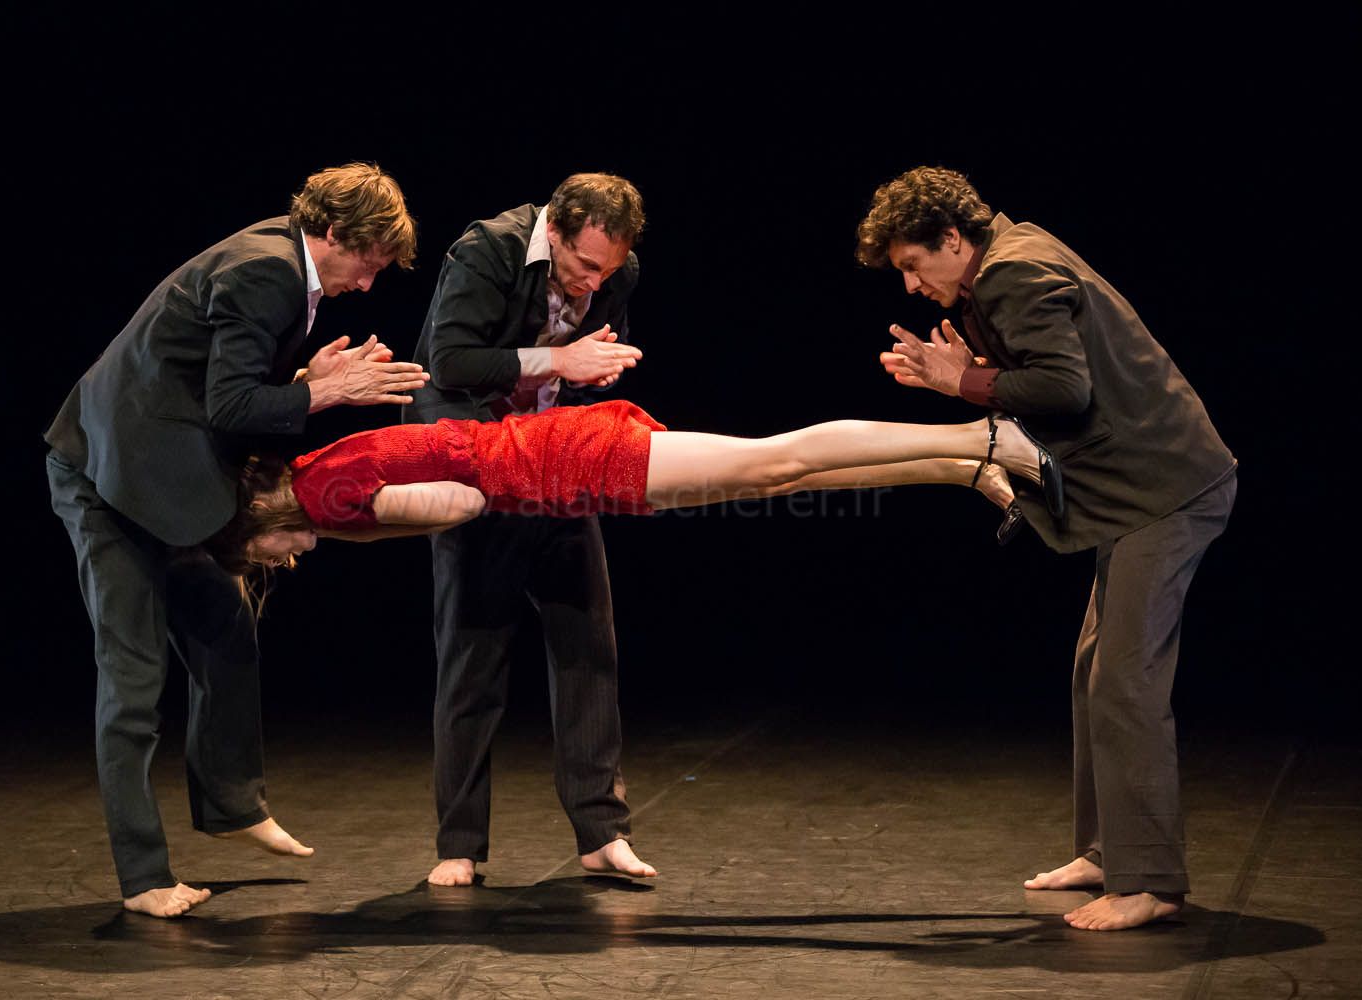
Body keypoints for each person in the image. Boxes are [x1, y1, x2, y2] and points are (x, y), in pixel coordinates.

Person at [856, 166, 1236, 931]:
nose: (910, 285)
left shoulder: (1013, 272)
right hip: (1139, 492)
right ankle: (1106, 850)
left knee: (1126, 680)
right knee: (1096, 669)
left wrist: (964, 382)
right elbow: (1039, 376)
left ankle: (1150, 879)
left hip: (1165, 489)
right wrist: (965, 376)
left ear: (952, 239)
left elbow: (1066, 389)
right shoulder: (1002, 262)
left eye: (912, 264)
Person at [45, 162, 429, 918]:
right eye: (367, 262)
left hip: (161, 470)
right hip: (108, 479)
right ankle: (143, 877)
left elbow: (224, 376)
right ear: (332, 232)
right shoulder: (268, 271)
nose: (367, 284)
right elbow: (229, 407)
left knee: (226, 626)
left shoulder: (284, 263)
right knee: (132, 678)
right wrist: (324, 391)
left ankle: (231, 804)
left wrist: (304, 375)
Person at [404, 173, 653, 886]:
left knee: (588, 643)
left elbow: (592, 353)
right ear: (556, 231)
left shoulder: (617, 268)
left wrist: (593, 374)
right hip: (475, 456)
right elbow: (449, 361)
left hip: (553, 456)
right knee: (473, 652)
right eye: (583, 266)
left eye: (607, 271)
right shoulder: (486, 250)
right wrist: (560, 360)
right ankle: (459, 844)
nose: (593, 283)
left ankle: (602, 833)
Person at [206, 399, 1044, 567]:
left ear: (258, 521)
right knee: (775, 480)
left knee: (780, 458)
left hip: (576, 459)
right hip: (573, 465)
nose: (284, 562)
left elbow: (463, 501)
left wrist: (370, 529)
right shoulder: (322, 470)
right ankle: (963, 467)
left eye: (262, 557)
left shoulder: (327, 498)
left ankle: (982, 434)